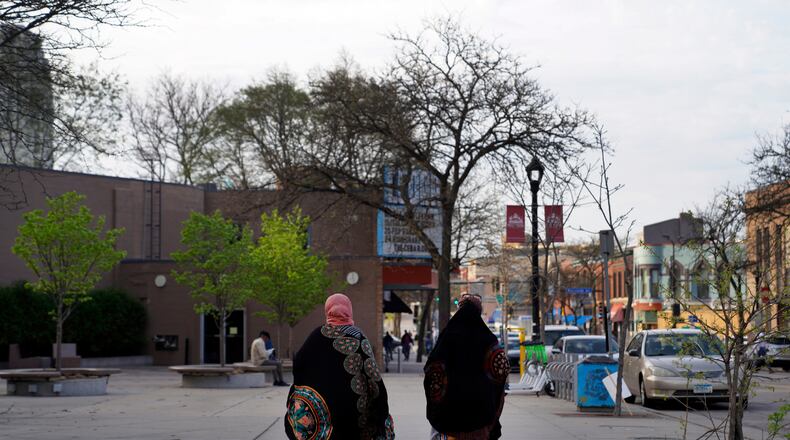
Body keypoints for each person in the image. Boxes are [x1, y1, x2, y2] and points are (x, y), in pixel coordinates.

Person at [285, 293, 395, 440]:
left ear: (327, 311)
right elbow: (373, 376)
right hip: (352, 415)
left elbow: (298, 365)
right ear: (349, 311)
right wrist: (381, 411)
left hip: (320, 417)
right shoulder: (357, 336)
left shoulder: (316, 335)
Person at [423, 294, 508, 439]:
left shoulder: (447, 337)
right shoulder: (487, 339)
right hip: (481, 416)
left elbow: (432, 369)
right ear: (478, 311)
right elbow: (500, 370)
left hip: (449, 418)